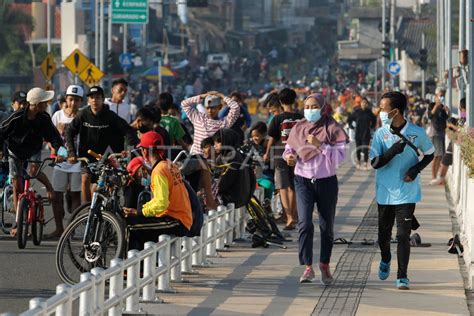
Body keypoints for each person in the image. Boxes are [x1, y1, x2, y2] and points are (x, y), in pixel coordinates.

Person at [370, 91, 434, 290]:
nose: (379, 111)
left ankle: (402, 276)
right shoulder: (380, 134)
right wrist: (392, 151)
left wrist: (415, 170)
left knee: (403, 235)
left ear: (395, 111)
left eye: (382, 108)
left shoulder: (417, 133)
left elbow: (430, 155)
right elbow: (375, 162)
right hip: (385, 193)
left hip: (407, 192)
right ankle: (385, 258)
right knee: (383, 236)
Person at [283, 93, 347, 285]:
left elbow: (341, 157)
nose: (310, 110)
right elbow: (289, 149)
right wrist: (289, 157)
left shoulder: (333, 128)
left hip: (326, 181)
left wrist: (321, 146)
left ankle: (325, 264)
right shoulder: (298, 127)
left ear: (322, 107)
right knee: (304, 224)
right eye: (307, 106)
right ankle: (307, 267)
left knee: (326, 227)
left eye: (314, 106)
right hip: (302, 180)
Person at [0, 87, 64, 236]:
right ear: (36, 104)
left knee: (34, 172)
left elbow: (55, 137)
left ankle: (49, 188)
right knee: (17, 184)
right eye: (44, 102)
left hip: (34, 149)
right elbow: (1, 132)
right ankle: (19, 222)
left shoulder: (44, 118)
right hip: (15, 151)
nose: (46, 104)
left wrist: (61, 152)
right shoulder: (16, 117)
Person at [65, 86, 138, 202]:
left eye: (98, 97)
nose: (94, 100)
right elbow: (69, 132)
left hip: (106, 157)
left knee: (97, 188)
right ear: (88, 100)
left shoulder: (110, 116)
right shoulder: (82, 115)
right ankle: (87, 212)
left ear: (103, 99)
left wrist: (129, 149)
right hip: (87, 156)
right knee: (85, 180)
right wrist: (71, 152)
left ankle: (103, 209)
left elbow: (128, 131)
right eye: (92, 98)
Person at [122, 131, 192, 250]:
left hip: (175, 220)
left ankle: (133, 268)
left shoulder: (159, 171)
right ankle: (145, 265)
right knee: (138, 222)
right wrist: (140, 210)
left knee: (129, 227)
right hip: (180, 217)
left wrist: (139, 212)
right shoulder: (169, 164)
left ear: (145, 151)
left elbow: (161, 203)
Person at [180, 91, 240, 210]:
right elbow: (184, 104)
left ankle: (208, 203)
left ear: (219, 107)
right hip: (196, 158)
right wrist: (202, 96)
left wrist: (222, 96)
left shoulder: (224, 123)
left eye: (213, 108)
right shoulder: (198, 118)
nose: (210, 110)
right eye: (208, 108)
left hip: (213, 162)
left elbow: (236, 108)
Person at [47, 85, 84, 238]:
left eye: (76, 100)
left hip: (77, 162)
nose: (73, 103)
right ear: (66, 99)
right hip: (60, 162)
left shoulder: (83, 116)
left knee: (75, 195)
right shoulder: (57, 116)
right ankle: (59, 228)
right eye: (70, 99)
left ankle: (71, 229)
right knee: (56, 195)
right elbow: (49, 137)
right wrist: (54, 150)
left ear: (81, 101)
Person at [264, 88, 303, 230]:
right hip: (297, 155)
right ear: (295, 100)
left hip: (280, 154)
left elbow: (272, 138)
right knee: (293, 187)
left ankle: (289, 218)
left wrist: (267, 153)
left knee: (282, 187)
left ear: (280, 102)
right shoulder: (301, 118)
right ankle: (293, 215)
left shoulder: (277, 119)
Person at [436, 98, 466, 185]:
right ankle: (441, 178)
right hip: (456, 141)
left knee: (445, 160)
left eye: (460, 107)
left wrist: (451, 125)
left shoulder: (464, 115)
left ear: (461, 107)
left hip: (456, 141)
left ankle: (441, 179)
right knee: (445, 160)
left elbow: (461, 129)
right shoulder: (465, 115)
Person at [348, 97, 377, 170]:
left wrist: (372, 126)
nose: (364, 104)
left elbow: (374, 120)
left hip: (366, 133)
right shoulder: (357, 112)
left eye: (365, 103)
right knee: (358, 148)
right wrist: (350, 126)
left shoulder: (369, 112)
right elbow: (350, 118)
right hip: (358, 133)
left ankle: (365, 162)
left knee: (365, 149)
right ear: (360, 104)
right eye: (363, 102)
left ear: (367, 104)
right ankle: (358, 160)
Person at [428, 86, 449, 185]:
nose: (442, 97)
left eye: (443, 95)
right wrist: (436, 105)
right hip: (435, 133)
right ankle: (434, 177)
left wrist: (447, 111)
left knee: (440, 156)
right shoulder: (432, 105)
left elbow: (445, 119)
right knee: (436, 156)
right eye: (440, 95)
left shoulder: (442, 107)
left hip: (442, 132)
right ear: (436, 95)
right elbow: (430, 116)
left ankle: (437, 177)